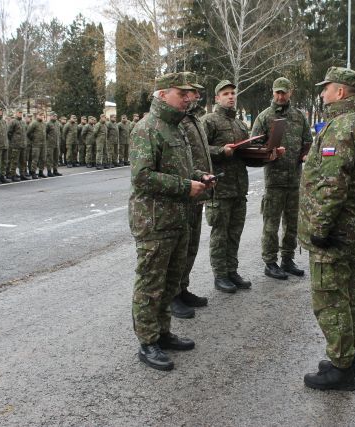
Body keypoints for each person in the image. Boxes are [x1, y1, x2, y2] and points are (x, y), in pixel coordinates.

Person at [298, 66, 355, 391]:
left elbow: (332, 184)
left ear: (341, 92)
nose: (322, 93)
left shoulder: (342, 127)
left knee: (330, 299)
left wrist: (319, 227)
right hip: (349, 227)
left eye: (327, 88)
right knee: (344, 295)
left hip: (335, 230)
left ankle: (342, 369)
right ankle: (344, 358)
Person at [129, 72, 213, 371]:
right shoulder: (147, 128)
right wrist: (185, 186)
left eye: (190, 94)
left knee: (170, 282)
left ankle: (162, 333)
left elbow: (180, 169)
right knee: (151, 283)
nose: (189, 99)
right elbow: (142, 177)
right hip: (154, 220)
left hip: (178, 217)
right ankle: (147, 341)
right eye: (182, 93)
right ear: (162, 94)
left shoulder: (176, 128)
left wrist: (199, 177)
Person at [251, 77, 312, 280]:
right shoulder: (264, 117)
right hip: (274, 181)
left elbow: (308, 141)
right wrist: (269, 152)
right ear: (273, 92)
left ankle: (288, 259)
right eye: (277, 92)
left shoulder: (299, 117)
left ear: (290, 92)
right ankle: (270, 262)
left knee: (292, 223)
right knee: (271, 224)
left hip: (294, 179)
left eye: (283, 92)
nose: (280, 96)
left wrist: (305, 154)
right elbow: (253, 146)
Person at [201, 80, 251, 293]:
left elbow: (246, 153)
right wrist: (221, 151)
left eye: (233, 93)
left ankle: (232, 271)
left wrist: (267, 154)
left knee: (235, 233)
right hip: (220, 187)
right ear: (217, 98)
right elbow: (200, 150)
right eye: (226, 94)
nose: (231, 97)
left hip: (239, 187)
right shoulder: (208, 121)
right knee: (220, 235)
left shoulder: (240, 124)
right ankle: (220, 275)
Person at [171, 72, 213, 319]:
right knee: (180, 248)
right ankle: (173, 294)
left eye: (197, 92)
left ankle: (182, 287)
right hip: (184, 191)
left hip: (197, 188)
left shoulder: (195, 119)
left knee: (192, 246)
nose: (196, 96)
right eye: (191, 92)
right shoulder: (179, 121)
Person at [7, 109, 28, 181]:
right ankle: (13, 175)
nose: (20, 114)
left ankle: (22, 174)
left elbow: (25, 132)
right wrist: (13, 141)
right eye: (19, 113)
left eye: (21, 113)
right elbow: (9, 133)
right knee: (14, 161)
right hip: (15, 145)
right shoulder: (13, 122)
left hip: (23, 145)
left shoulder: (23, 122)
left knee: (23, 161)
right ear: (16, 113)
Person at [27, 111, 47, 179]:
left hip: (43, 144)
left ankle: (41, 172)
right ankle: (33, 172)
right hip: (36, 144)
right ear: (37, 116)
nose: (41, 116)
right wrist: (33, 139)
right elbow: (28, 133)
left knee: (43, 158)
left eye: (42, 115)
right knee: (35, 159)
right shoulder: (34, 123)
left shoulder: (43, 124)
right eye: (40, 115)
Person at [45, 111, 62, 177]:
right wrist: (48, 140)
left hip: (56, 144)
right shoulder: (48, 124)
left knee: (56, 158)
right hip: (50, 144)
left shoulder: (57, 123)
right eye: (54, 116)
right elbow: (45, 133)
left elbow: (60, 132)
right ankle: (49, 171)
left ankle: (55, 170)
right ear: (51, 116)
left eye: (56, 116)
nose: (55, 117)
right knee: (50, 158)